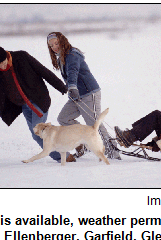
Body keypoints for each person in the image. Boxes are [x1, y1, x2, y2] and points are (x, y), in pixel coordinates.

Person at [0, 45, 73, 163]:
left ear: (7, 56)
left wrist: (61, 87)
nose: (2, 66)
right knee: (41, 134)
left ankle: (65, 157)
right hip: (24, 106)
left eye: (3, 62)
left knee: (38, 134)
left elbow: (42, 70)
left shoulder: (21, 57)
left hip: (38, 101)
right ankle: (71, 145)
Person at [46, 32, 121, 160]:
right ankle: (83, 143)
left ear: (62, 41)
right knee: (64, 118)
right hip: (76, 96)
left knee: (94, 124)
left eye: (56, 43)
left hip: (88, 93)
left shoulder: (72, 54)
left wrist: (72, 87)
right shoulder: (62, 57)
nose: (54, 47)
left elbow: (73, 71)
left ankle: (111, 150)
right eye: (51, 45)